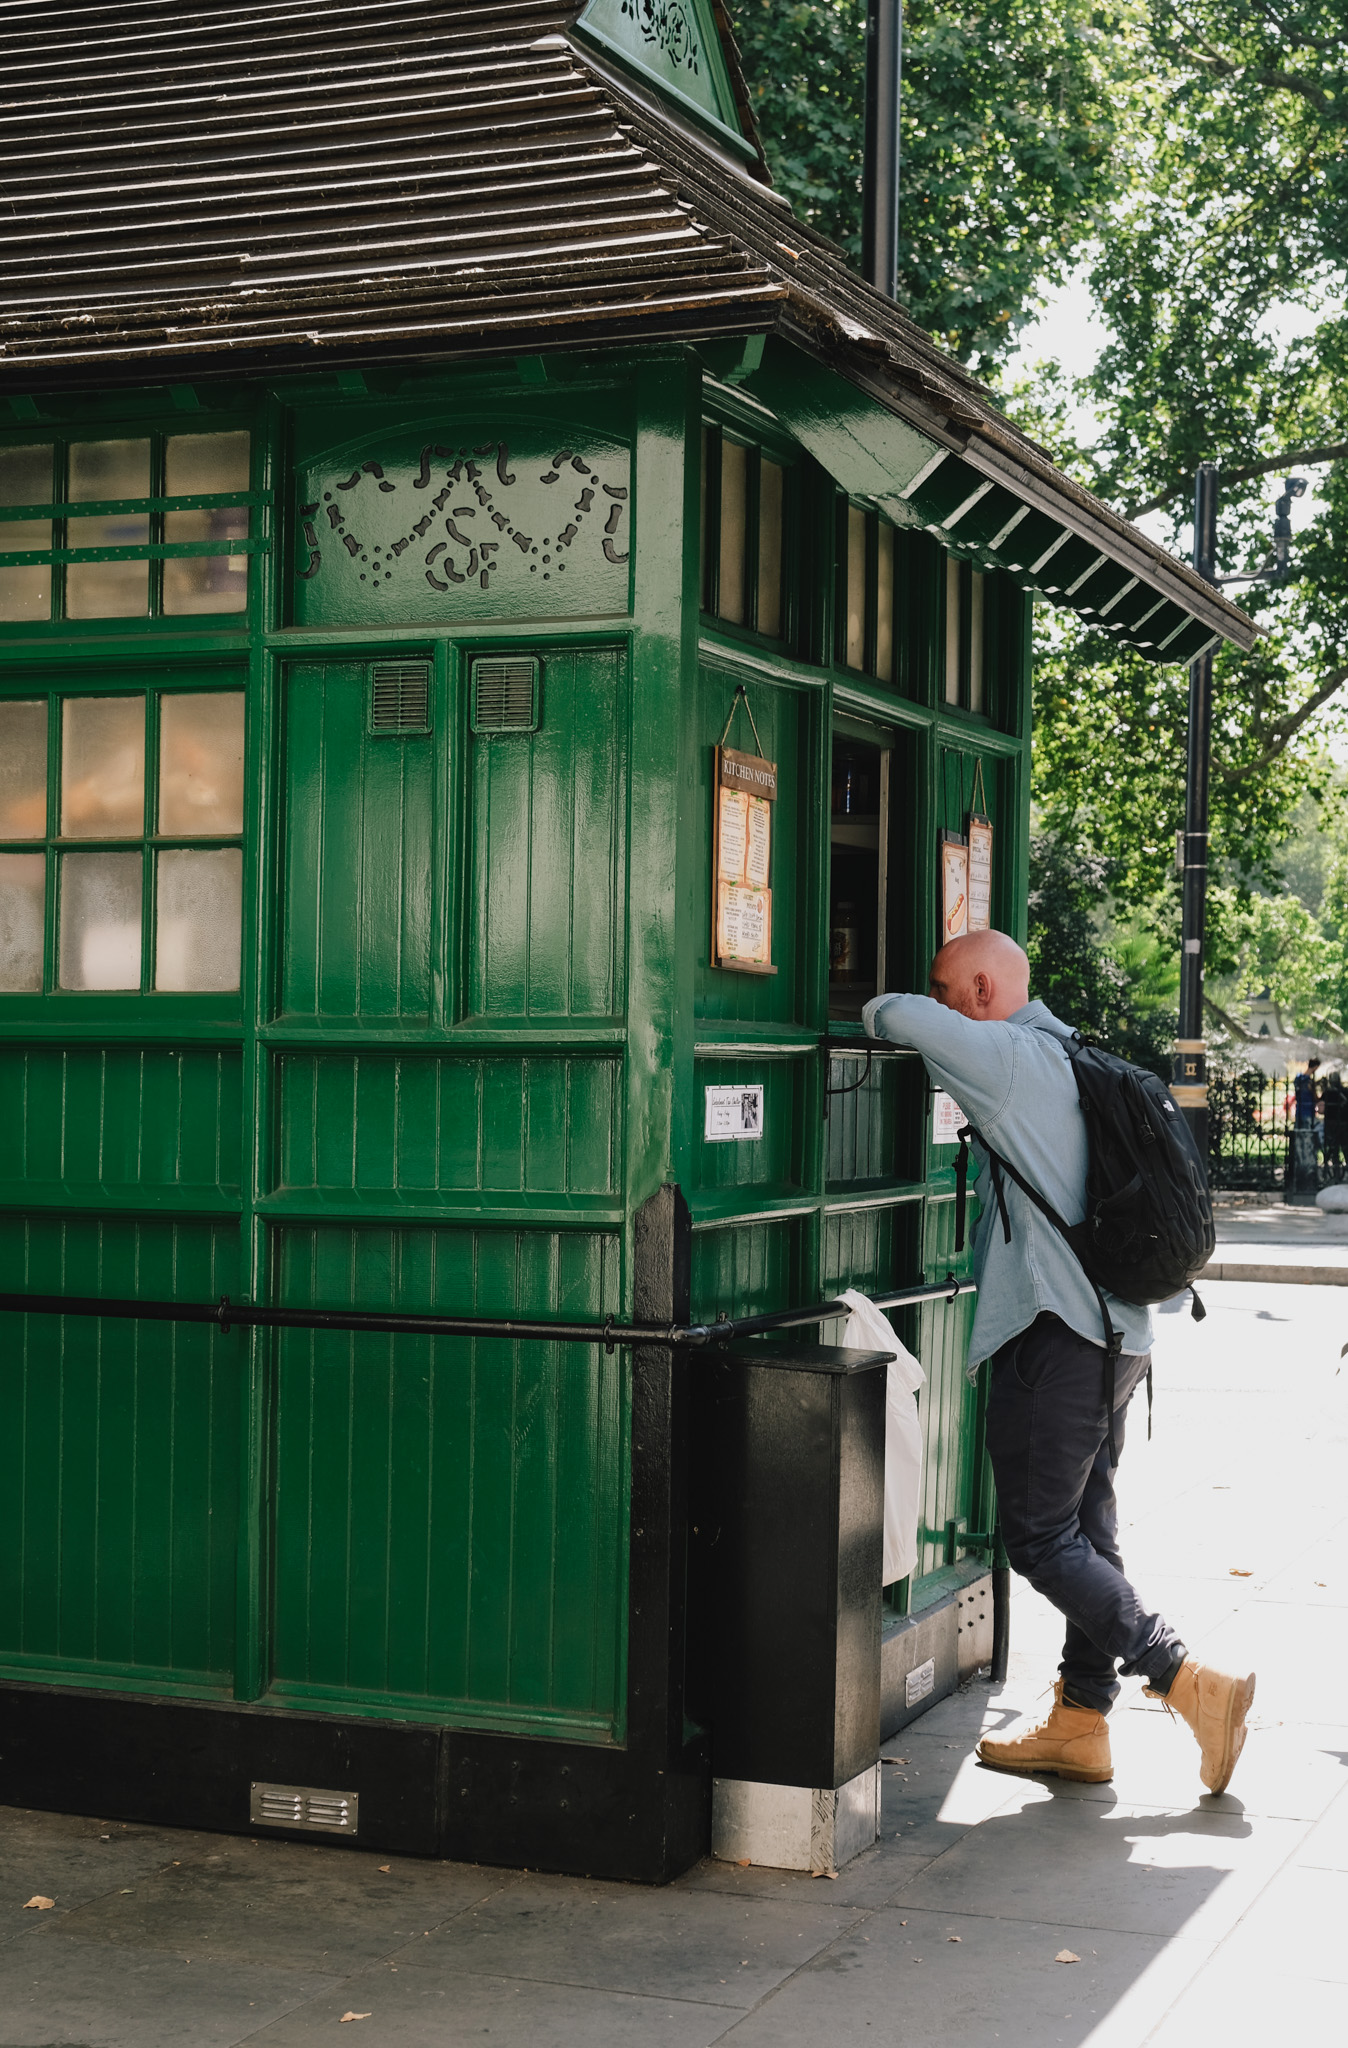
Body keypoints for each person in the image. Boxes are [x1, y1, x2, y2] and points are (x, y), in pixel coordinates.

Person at [864, 930, 1256, 1793]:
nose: (932, 997)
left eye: (942, 985)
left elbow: (893, 1017)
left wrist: (875, 998)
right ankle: (1082, 1722)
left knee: (1040, 1539)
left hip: (1056, 1337)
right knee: (1089, 1531)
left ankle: (1185, 1677)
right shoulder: (1068, 1053)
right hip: (1121, 1339)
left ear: (976, 987)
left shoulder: (1005, 1055)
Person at [1322, 1071, 1348, 1182]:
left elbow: (1321, 1105)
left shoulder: (1328, 1092)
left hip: (1332, 1123)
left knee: (1334, 1148)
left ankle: (1334, 1172)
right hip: (1343, 1122)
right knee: (1344, 1147)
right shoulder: (1344, 1091)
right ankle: (1337, 1172)